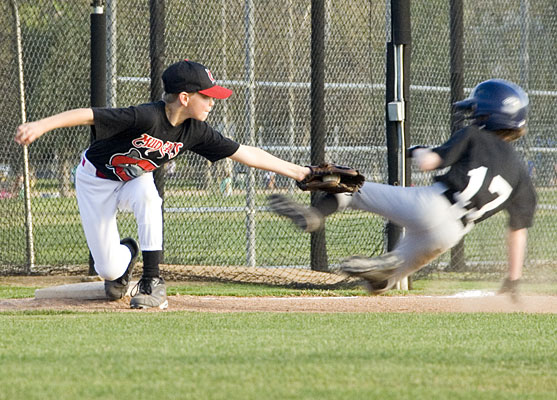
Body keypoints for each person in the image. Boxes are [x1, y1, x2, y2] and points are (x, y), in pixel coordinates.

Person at [15, 59, 311, 309]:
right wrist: (41, 125)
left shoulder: (197, 131)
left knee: (149, 197)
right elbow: (89, 115)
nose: (212, 102)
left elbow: (246, 153)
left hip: (133, 180)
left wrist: (300, 172)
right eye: (206, 96)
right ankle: (128, 253)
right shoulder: (146, 116)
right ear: (185, 97)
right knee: (108, 269)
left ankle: (152, 281)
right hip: (95, 180)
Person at [268, 79, 537, 301]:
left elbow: (429, 162)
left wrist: (417, 150)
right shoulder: (521, 176)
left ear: (488, 115)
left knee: (349, 187)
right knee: (383, 284)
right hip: (450, 234)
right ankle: (382, 270)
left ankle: (314, 215)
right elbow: (518, 231)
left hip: (431, 205)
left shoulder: (474, 135)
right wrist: (513, 280)